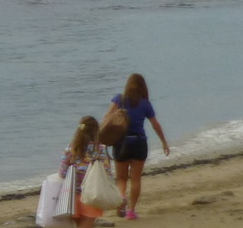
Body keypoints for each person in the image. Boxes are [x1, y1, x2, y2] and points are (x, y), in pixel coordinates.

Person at [107, 73, 170, 219]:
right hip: (139, 143)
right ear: (143, 87)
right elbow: (155, 125)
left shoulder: (118, 99)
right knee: (135, 179)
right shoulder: (145, 104)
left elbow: (107, 117)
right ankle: (131, 211)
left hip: (121, 143)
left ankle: (122, 198)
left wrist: (101, 137)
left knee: (121, 179)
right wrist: (164, 142)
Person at [62, 115, 112, 228]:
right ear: (96, 131)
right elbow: (107, 172)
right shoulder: (99, 149)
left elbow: (63, 173)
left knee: (79, 225)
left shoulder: (71, 148)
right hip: (92, 195)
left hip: (72, 196)